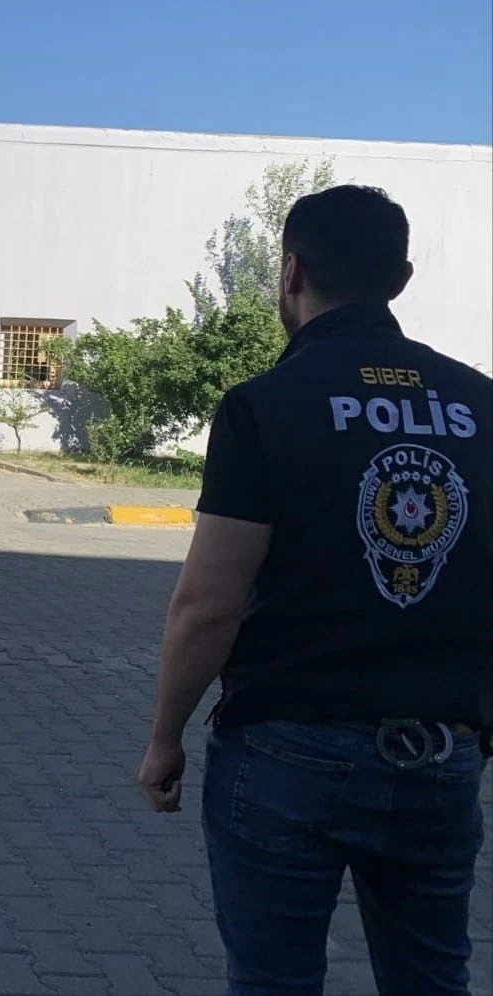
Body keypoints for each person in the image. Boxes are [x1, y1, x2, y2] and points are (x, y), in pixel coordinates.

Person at [137, 185, 492, 995]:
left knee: (274, 980)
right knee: (431, 977)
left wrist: (164, 737)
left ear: (290, 271)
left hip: (286, 751)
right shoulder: (480, 404)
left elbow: (208, 605)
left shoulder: (265, 405)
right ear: (399, 279)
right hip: (438, 752)